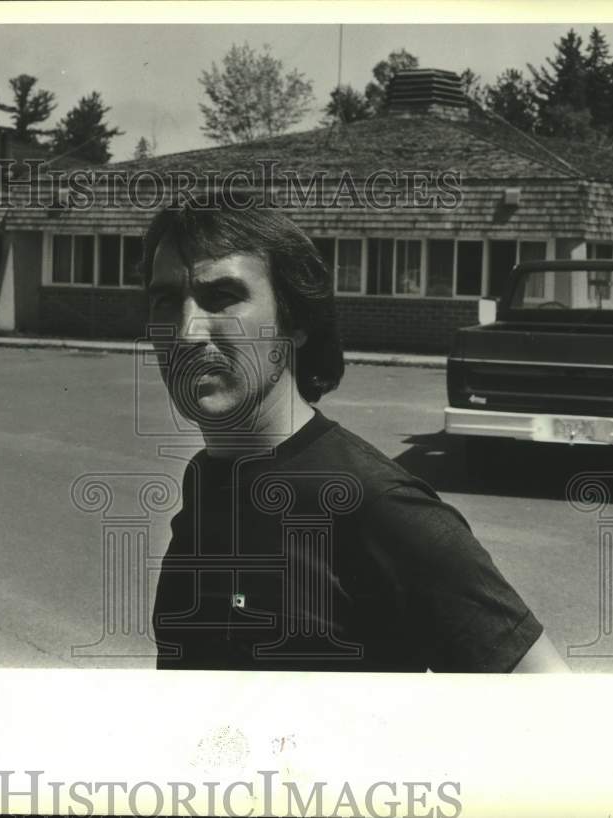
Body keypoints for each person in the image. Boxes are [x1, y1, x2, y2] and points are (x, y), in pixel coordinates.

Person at [144, 200, 568, 673]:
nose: (185, 332)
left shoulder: (376, 504)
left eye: (221, 296)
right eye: (165, 300)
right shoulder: (208, 476)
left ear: (296, 321)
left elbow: (547, 696)